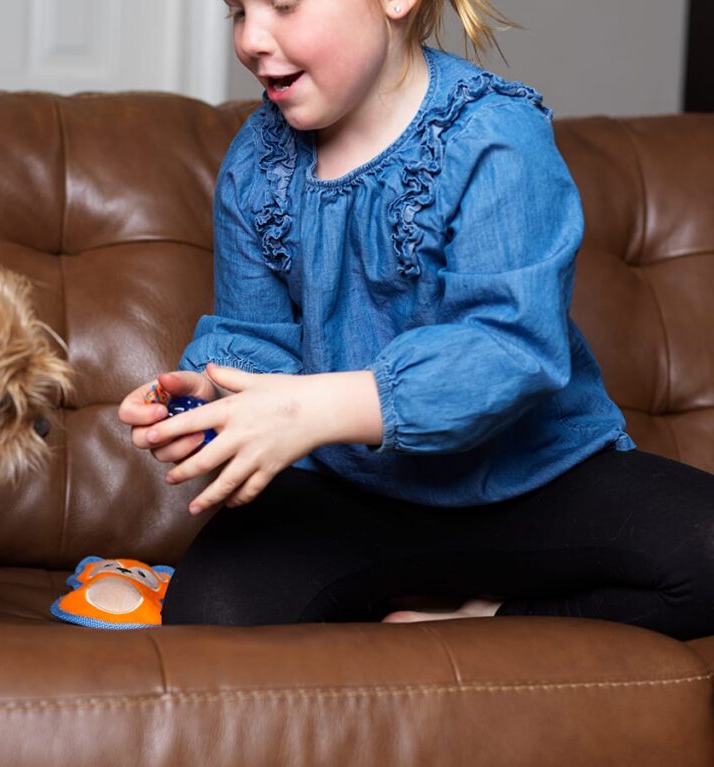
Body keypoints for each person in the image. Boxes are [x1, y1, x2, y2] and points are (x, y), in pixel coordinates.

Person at [117, 0, 714, 640]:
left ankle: (487, 619)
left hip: (529, 482)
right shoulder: (257, 164)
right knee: (211, 617)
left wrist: (316, 408)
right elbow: (258, 340)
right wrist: (217, 399)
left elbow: (509, 347)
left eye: (284, 5)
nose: (253, 39)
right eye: (237, 11)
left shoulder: (494, 137)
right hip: (351, 498)